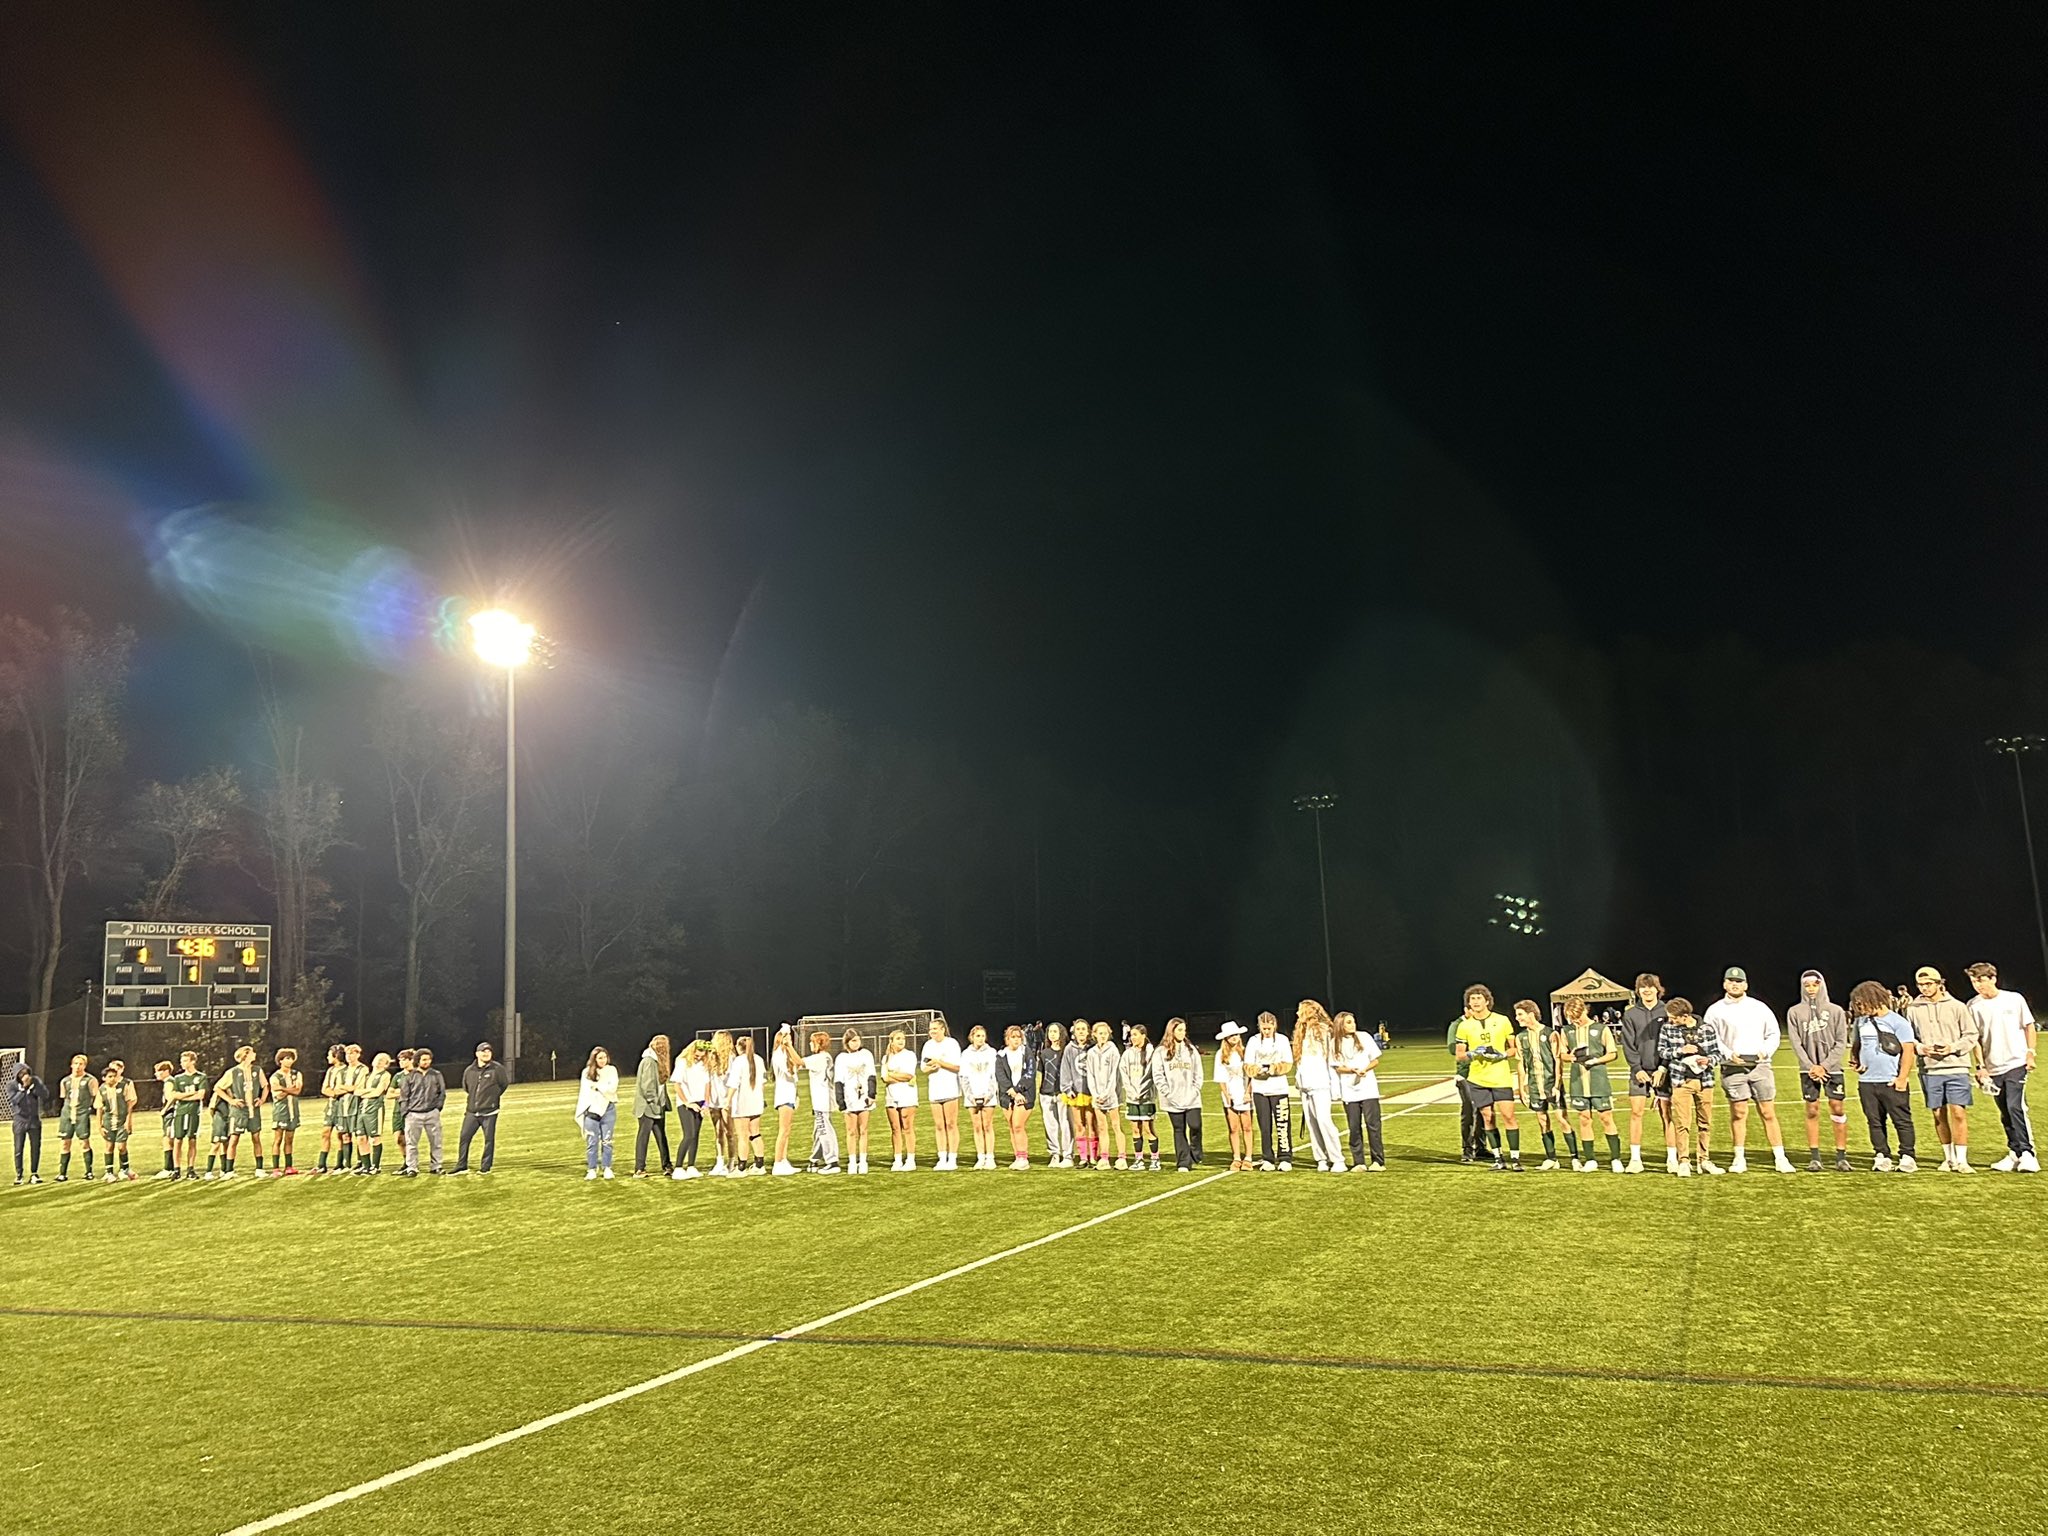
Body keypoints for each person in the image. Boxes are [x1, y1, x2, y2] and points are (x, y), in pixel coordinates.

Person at [1702, 968, 1796, 1174]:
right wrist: (1728, 1054)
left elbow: (1772, 1033)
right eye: (1730, 981)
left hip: (1760, 1066)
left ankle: (1780, 1157)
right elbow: (1711, 1038)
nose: (1734, 984)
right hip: (1733, 1067)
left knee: (1768, 1111)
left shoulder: (1759, 1008)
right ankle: (1739, 1158)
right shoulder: (1715, 1010)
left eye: (1738, 981)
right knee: (1739, 1113)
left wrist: (1765, 1052)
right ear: (1724, 984)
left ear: (1745, 985)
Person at [1905, 965, 1979, 1171]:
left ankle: (1962, 1160)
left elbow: (1971, 1035)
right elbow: (1909, 1038)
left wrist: (1952, 1048)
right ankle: (1948, 1158)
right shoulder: (1912, 1008)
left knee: (1958, 1112)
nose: (1924, 988)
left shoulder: (1957, 1006)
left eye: (1928, 984)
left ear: (1939, 983)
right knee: (1938, 1114)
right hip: (1929, 1069)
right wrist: (1922, 1049)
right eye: (1920, 984)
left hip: (1957, 1067)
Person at [1965, 962, 2037, 1173]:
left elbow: (2028, 1025)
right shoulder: (1973, 1005)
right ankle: (2014, 1152)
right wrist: (1981, 1066)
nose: (1977, 985)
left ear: (1993, 978)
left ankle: (2027, 1153)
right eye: (1973, 981)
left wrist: (2030, 1053)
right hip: (1992, 1066)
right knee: (2005, 1111)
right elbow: (1975, 1038)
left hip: (2016, 1062)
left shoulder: (2014, 999)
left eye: (1980, 980)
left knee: (2016, 1106)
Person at [1847, 979, 1918, 1171]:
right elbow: (1856, 1045)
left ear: (1875, 999)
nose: (1860, 1008)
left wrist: (1902, 1078)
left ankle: (1907, 1155)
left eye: (1862, 1003)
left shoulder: (1898, 1022)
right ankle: (1881, 1154)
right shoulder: (1860, 1022)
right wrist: (1856, 1061)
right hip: (1868, 1081)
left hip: (1891, 1080)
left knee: (1901, 1120)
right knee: (1874, 1121)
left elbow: (1908, 1051)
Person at [1786, 970, 1852, 1172]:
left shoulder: (1836, 1011)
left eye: (1815, 984)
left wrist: (1825, 1065)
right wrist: (1810, 1066)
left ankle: (1841, 1156)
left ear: (1821, 985)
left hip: (1832, 1068)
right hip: (1808, 1070)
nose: (1811, 989)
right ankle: (1815, 1157)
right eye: (1807, 985)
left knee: (1837, 1107)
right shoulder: (1795, 1012)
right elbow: (1796, 1043)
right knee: (1812, 1109)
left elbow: (1841, 1041)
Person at [1454, 986, 1521, 1171]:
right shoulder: (1464, 1025)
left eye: (1478, 998)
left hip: (1501, 1076)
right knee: (1487, 1117)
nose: (1475, 1002)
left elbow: (1514, 1048)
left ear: (1487, 1001)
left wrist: (1502, 1055)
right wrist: (1472, 1054)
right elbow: (1459, 1055)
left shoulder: (1502, 1021)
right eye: (1472, 999)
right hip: (1477, 1078)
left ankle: (1515, 1158)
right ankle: (1499, 1158)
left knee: (1508, 1115)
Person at [1656, 998, 1722, 1175]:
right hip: (1680, 1081)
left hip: (1705, 1082)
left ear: (1685, 1016)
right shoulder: (1667, 1029)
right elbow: (1662, 1051)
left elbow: (1717, 1053)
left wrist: (1708, 1060)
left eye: (1674, 1018)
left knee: (1705, 1123)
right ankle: (1684, 1161)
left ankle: (1704, 1159)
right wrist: (1680, 1051)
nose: (1671, 1021)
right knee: (1682, 1123)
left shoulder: (1707, 1029)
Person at [1558, 997, 1623, 1173]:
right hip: (1577, 1081)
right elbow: (1561, 1054)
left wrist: (1596, 1060)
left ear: (1585, 1011)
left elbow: (1612, 1053)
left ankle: (1616, 1158)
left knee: (1606, 1118)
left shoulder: (1601, 1029)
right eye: (1571, 1017)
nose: (1575, 1020)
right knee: (1584, 1119)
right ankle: (1590, 1159)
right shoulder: (1567, 1031)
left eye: (1577, 1016)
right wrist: (1571, 1056)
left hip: (1598, 1080)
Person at [1619, 973, 1671, 1173]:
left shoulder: (1667, 1011)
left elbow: (1672, 1042)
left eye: (1650, 987)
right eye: (1642, 987)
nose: (1646, 990)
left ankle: (1672, 1158)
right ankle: (1635, 1160)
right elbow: (1628, 1044)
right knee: (1636, 1112)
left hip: (1663, 1072)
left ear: (1658, 989)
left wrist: (1663, 1067)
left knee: (1667, 1114)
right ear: (1638, 990)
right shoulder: (1631, 1014)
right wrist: (1637, 1068)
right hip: (1639, 1072)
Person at [1511, 999, 1570, 1171]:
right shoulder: (1520, 1038)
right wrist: (1522, 1087)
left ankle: (1574, 1158)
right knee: (1542, 1120)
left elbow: (1558, 1060)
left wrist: (1557, 1083)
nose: (1517, 1018)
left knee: (1561, 1118)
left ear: (1531, 1014)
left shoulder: (1551, 1034)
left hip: (1551, 1083)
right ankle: (1551, 1158)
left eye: (1520, 1014)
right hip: (1535, 1085)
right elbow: (1521, 1063)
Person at [1292, 1001, 1345, 1174]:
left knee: (1324, 1121)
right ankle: (1321, 1158)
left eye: (1301, 1010)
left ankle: (1337, 1159)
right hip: (1305, 1085)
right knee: (1312, 1122)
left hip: (1321, 1083)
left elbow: (1331, 1058)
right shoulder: (1301, 1031)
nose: (1298, 1013)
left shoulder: (1323, 1030)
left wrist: (1334, 1084)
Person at [1332, 1011, 1383, 1171]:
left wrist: (1364, 1069)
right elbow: (1337, 1067)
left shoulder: (1365, 1037)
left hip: (1368, 1089)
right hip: (1349, 1090)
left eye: (1353, 1021)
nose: (1352, 1024)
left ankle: (1378, 1161)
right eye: (1348, 1022)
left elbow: (1375, 1060)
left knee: (1373, 1125)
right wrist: (1351, 1071)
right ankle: (1359, 1161)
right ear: (1340, 1024)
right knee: (1354, 1127)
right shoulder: (1334, 1042)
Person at [1246, 1010, 1294, 1171]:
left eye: (1269, 1028)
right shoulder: (1253, 1041)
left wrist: (1273, 1068)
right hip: (1260, 1089)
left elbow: (1288, 1062)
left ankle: (1285, 1157)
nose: (1266, 1031)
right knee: (1264, 1125)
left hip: (1279, 1088)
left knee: (1282, 1124)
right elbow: (1247, 1064)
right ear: (1259, 1027)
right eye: (1263, 1028)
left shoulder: (1282, 1040)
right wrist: (1256, 1070)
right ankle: (1267, 1157)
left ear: (1274, 1026)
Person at [1156, 1017, 1205, 1172]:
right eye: (1179, 1030)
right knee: (1179, 1129)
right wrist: (1168, 1093)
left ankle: (1195, 1151)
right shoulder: (1161, 1052)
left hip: (1191, 1098)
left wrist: (1195, 1090)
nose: (1182, 1033)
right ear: (1171, 1031)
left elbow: (1198, 1073)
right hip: (1172, 1099)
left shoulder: (1191, 1050)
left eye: (1184, 1030)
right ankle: (1183, 1161)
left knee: (1195, 1125)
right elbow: (1158, 1075)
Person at [454, 1041, 510, 1175]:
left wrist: (491, 1100)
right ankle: (462, 1165)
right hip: (472, 1112)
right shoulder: (469, 1070)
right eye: (483, 1051)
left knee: (489, 1140)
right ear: (477, 1054)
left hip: (490, 1112)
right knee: (464, 1138)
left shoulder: (497, 1069)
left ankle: (485, 1167)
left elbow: (503, 1085)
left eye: (488, 1051)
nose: (486, 1053)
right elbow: (466, 1087)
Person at [920, 1019, 964, 1171]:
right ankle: (942, 1157)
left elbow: (957, 1067)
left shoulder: (952, 1044)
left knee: (951, 1124)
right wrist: (932, 1067)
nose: (932, 1032)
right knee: (939, 1125)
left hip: (950, 1088)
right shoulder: (928, 1045)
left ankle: (952, 1158)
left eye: (935, 1029)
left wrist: (940, 1063)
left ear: (943, 1029)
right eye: (931, 1029)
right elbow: (923, 1069)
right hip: (935, 1089)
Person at [1119, 1022, 1160, 1171]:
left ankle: (1155, 1159)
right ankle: (1139, 1159)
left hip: (1146, 1097)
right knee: (1135, 1129)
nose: (1133, 1038)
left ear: (1143, 1035)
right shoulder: (1127, 1054)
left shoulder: (1151, 1052)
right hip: (1131, 1097)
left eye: (1135, 1035)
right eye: (1131, 1035)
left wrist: (1141, 1091)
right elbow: (1123, 1073)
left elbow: (1151, 1075)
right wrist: (1130, 1091)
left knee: (1148, 1129)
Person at [834, 1028, 877, 1175]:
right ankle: (852, 1161)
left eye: (857, 1039)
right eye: (853, 1040)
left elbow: (872, 1074)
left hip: (864, 1096)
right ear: (847, 1042)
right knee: (851, 1131)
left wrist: (872, 1094)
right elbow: (838, 1080)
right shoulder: (841, 1058)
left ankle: (863, 1161)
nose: (856, 1043)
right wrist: (840, 1100)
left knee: (863, 1130)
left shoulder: (866, 1054)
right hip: (849, 1097)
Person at [400, 1048, 447, 1177]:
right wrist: (406, 1113)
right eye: (424, 1059)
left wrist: (437, 1108)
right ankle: (412, 1167)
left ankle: (436, 1166)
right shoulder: (410, 1076)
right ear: (417, 1060)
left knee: (436, 1142)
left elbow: (441, 1093)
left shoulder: (436, 1075)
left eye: (429, 1059)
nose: (427, 1062)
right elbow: (404, 1096)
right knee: (411, 1143)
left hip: (432, 1113)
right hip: (413, 1114)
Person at [1085, 1020, 1126, 1169]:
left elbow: (1114, 1075)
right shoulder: (1091, 1053)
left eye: (1105, 1033)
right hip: (1097, 1096)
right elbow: (1090, 1075)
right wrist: (1095, 1094)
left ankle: (1122, 1157)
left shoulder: (1113, 1050)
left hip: (1111, 1095)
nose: (1103, 1036)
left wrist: (1107, 1093)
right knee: (1102, 1127)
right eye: (1100, 1033)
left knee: (1116, 1125)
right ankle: (1104, 1158)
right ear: (1094, 1035)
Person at [959, 1024, 1000, 1170]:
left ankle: (990, 1157)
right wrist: (970, 1096)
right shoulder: (965, 1054)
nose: (980, 1039)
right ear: (972, 1037)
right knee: (977, 1126)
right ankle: (980, 1157)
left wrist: (989, 1094)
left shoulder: (991, 1052)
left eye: (983, 1036)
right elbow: (963, 1076)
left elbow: (994, 1076)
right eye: (978, 1036)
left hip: (988, 1095)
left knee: (987, 1125)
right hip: (972, 1096)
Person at [633, 1034, 675, 1178]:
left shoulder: (656, 1062)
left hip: (658, 1105)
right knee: (643, 1136)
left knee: (661, 1136)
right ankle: (639, 1168)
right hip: (648, 1107)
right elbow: (648, 1086)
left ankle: (667, 1165)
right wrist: (653, 1100)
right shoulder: (649, 1061)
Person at [575, 1046, 618, 1181]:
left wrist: (599, 1087)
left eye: (604, 1057)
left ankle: (607, 1167)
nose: (603, 1060)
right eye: (600, 1058)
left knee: (607, 1140)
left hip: (608, 1110)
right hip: (591, 1111)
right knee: (592, 1141)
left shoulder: (611, 1070)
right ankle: (592, 1169)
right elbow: (586, 1091)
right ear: (594, 1059)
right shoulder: (586, 1072)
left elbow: (612, 1088)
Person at [995, 1023, 1035, 1170]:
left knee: (1018, 1125)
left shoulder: (1027, 1053)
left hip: (1024, 1094)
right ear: (1007, 1039)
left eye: (1019, 1037)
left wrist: (1018, 1091)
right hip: (1007, 1096)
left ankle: (1024, 1158)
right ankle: (1018, 1156)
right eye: (1013, 1037)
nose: (1016, 1040)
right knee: (1012, 1126)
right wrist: (1011, 1092)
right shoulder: (1001, 1055)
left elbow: (1030, 1074)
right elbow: (1001, 1076)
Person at [1034, 1021, 1073, 1168]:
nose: (1052, 1034)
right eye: (1050, 1031)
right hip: (1047, 1093)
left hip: (1063, 1093)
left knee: (1066, 1124)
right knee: (1050, 1125)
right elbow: (1041, 1074)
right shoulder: (1044, 1053)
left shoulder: (1067, 1051)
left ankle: (1068, 1155)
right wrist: (1040, 1091)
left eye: (1055, 1031)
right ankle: (1054, 1154)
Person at [670, 1040, 711, 1180]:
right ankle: (678, 1167)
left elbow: (707, 1084)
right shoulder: (682, 1062)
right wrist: (687, 1102)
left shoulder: (704, 1064)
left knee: (696, 1135)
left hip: (699, 1102)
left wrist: (705, 1103)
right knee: (689, 1134)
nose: (699, 1057)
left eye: (702, 1055)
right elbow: (677, 1085)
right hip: (685, 1102)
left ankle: (691, 1165)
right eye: (697, 1055)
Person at [802, 1030, 842, 1174]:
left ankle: (832, 1161)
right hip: (823, 1100)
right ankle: (814, 1159)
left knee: (825, 1130)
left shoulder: (819, 1058)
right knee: (818, 1131)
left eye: (812, 1042)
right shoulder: (824, 1057)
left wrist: (787, 1045)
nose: (810, 1044)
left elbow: (798, 1062)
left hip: (822, 1101)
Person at [1216, 1022, 1254, 1170]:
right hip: (1230, 1093)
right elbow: (1220, 1077)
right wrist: (1227, 1095)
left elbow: (1251, 1075)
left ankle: (1248, 1157)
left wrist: (1248, 1093)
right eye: (1231, 1035)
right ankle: (1236, 1157)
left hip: (1244, 1092)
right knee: (1233, 1127)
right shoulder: (1221, 1055)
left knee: (1247, 1126)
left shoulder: (1245, 1052)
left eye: (1236, 1035)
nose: (1235, 1038)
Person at [727, 1036, 766, 1176]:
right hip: (756, 1102)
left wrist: (727, 1100)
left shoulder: (739, 1061)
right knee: (755, 1133)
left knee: (742, 1135)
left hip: (742, 1103)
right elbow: (762, 1083)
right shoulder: (759, 1059)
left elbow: (733, 1083)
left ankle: (741, 1167)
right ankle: (759, 1165)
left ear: (739, 1047)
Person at [882, 1028, 920, 1171]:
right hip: (891, 1096)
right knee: (895, 1129)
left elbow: (908, 1076)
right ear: (891, 1041)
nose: (901, 1041)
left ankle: (910, 1160)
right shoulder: (886, 1058)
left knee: (907, 1127)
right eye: (898, 1039)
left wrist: (893, 1076)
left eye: (903, 1039)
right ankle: (897, 1159)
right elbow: (884, 1078)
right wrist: (896, 1076)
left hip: (907, 1095)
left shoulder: (909, 1055)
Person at [1446, 1011, 1481, 1163]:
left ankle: (1481, 1146)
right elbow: (1453, 1048)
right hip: (1465, 1074)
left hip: (1482, 1072)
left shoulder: (1481, 1024)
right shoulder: (1457, 1025)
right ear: (1467, 1009)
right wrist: (1476, 1050)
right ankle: (1467, 1149)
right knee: (1469, 1110)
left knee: (1483, 1111)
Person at [55, 1054, 94, 1182]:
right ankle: (62, 1173)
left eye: (81, 1064)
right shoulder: (65, 1081)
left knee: (84, 1142)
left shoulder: (90, 1080)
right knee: (65, 1142)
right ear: (71, 1065)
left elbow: (95, 1096)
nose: (78, 1066)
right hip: (67, 1114)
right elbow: (64, 1098)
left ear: (85, 1066)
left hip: (82, 1114)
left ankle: (88, 1171)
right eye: (76, 1063)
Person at [166, 1051, 205, 1180]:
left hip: (194, 1112)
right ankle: (177, 1169)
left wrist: (183, 1096)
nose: (183, 1063)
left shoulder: (201, 1077)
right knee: (178, 1140)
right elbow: (174, 1095)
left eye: (185, 1061)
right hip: (180, 1112)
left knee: (192, 1140)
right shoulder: (178, 1078)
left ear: (193, 1061)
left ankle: (190, 1169)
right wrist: (189, 1095)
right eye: (182, 1061)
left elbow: (200, 1095)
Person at [1059, 1020, 1092, 1167]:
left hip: (1090, 1092)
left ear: (1088, 1031)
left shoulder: (1092, 1048)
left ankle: (1094, 1156)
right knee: (1079, 1125)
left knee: (1092, 1124)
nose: (1081, 1032)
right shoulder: (1069, 1049)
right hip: (1075, 1093)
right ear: (1074, 1032)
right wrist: (1067, 1088)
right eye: (1078, 1029)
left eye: (1083, 1029)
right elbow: (1065, 1070)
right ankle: (1083, 1157)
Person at [769, 1024, 801, 1176]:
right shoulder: (779, 1055)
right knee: (783, 1130)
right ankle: (777, 1162)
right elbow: (791, 1072)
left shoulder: (784, 1054)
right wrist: (789, 1049)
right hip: (783, 1096)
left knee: (787, 1130)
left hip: (789, 1095)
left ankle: (783, 1159)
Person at [354, 1051, 392, 1175]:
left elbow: (378, 1093)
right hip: (362, 1108)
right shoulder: (366, 1076)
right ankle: (366, 1166)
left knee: (375, 1138)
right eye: (377, 1058)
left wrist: (365, 1092)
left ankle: (375, 1166)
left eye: (382, 1060)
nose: (378, 1061)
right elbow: (356, 1092)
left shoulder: (385, 1075)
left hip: (375, 1108)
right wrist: (369, 1091)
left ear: (386, 1064)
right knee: (360, 1138)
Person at [98, 1060, 137, 1181]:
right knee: (109, 1146)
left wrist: (128, 1121)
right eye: (110, 1075)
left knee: (121, 1146)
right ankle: (108, 1172)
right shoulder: (102, 1089)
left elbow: (131, 1101)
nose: (113, 1077)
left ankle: (124, 1169)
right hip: (109, 1121)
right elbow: (99, 1108)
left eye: (115, 1074)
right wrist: (99, 1125)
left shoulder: (125, 1084)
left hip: (121, 1120)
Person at [266, 1048, 303, 1175]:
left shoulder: (297, 1074)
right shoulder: (275, 1076)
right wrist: (289, 1089)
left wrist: (283, 1088)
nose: (290, 1060)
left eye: (291, 1058)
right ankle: (276, 1168)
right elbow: (278, 1096)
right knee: (278, 1139)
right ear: (280, 1060)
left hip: (293, 1110)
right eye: (287, 1058)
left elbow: (297, 1091)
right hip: (281, 1111)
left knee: (289, 1139)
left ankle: (289, 1166)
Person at [9, 1064, 46, 1184]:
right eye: (21, 1074)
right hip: (19, 1120)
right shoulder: (12, 1085)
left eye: (26, 1073)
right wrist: (23, 1089)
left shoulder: (35, 1081)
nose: (25, 1076)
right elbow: (14, 1101)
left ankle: (34, 1173)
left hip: (34, 1119)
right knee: (19, 1148)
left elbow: (45, 1095)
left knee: (35, 1147)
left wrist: (34, 1088)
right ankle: (19, 1175)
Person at [705, 1031, 735, 1176]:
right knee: (718, 1132)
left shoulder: (732, 1059)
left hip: (727, 1099)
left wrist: (729, 1100)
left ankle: (732, 1161)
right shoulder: (711, 1058)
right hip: (714, 1100)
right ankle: (719, 1161)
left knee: (729, 1132)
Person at [316, 1044, 349, 1174]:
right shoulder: (330, 1071)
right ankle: (321, 1164)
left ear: (336, 1056)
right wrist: (334, 1093)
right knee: (325, 1132)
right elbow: (324, 1089)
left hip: (343, 1106)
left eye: (329, 1054)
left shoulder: (346, 1070)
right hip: (331, 1106)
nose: (327, 1057)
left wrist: (337, 1091)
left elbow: (347, 1088)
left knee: (342, 1135)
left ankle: (341, 1164)